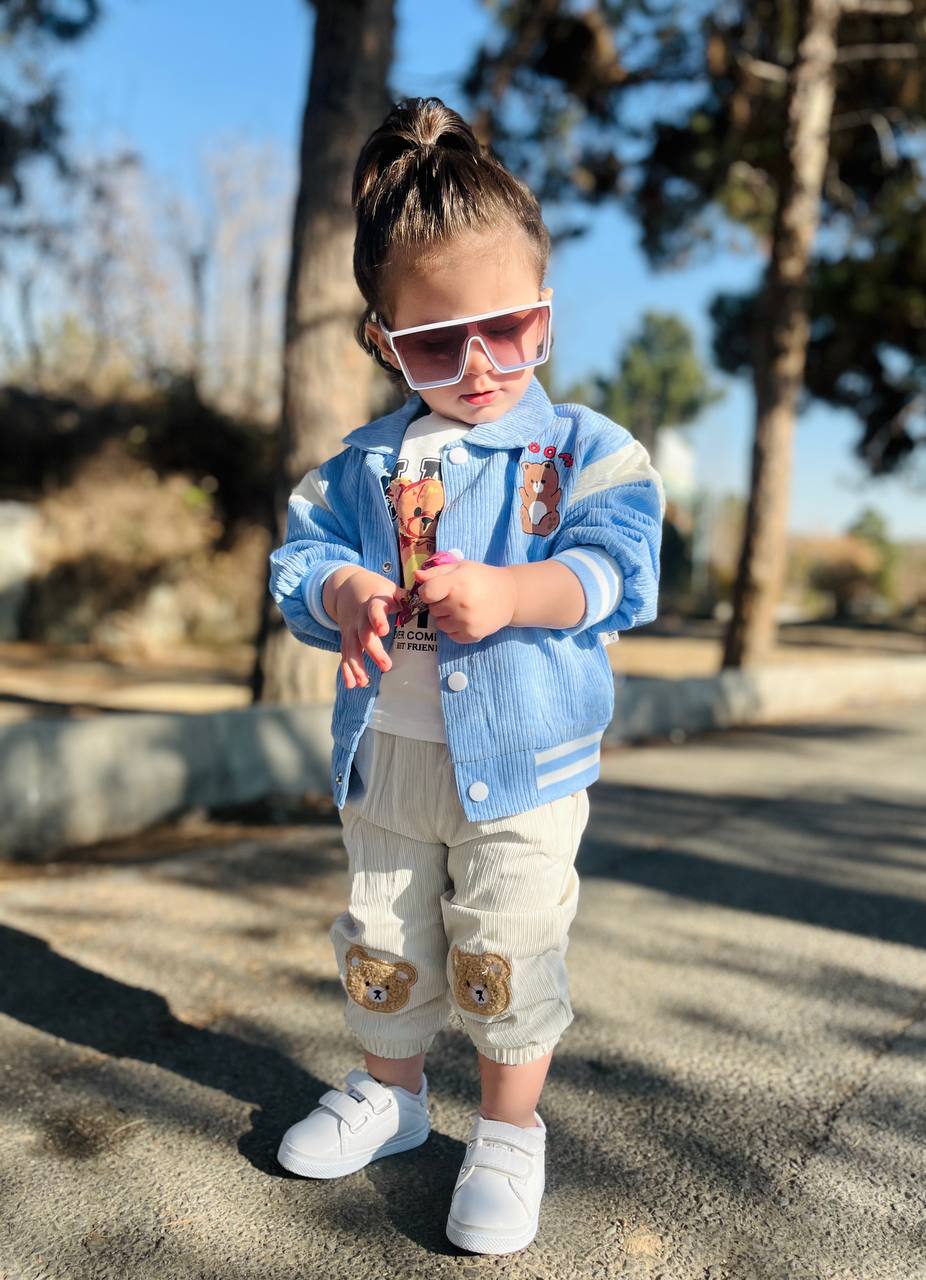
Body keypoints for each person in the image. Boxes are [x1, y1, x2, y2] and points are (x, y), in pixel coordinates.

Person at [268, 96, 664, 1256]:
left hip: (525, 766)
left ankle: (505, 1126)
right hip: (385, 757)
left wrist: (515, 591)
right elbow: (299, 559)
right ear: (383, 339)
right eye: (437, 342)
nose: (478, 364)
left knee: (505, 942)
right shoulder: (357, 464)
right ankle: (390, 1091)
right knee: (381, 931)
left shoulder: (582, 450)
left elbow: (621, 568)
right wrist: (344, 591)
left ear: (544, 310)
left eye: (507, 328)